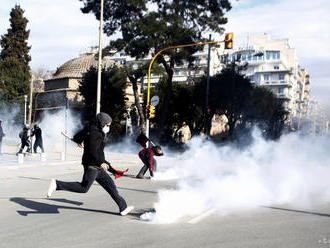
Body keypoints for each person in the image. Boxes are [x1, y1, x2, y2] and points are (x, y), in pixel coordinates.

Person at [47, 112, 134, 216]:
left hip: (97, 165)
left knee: (110, 185)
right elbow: (93, 150)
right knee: (84, 188)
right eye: (107, 125)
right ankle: (57, 184)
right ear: (102, 123)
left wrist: (79, 141)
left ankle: (123, 207)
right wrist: (101, 162)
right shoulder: (95, 132)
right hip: (92, 165)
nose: (108, 127)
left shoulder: (91, 128)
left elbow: (78, 136)